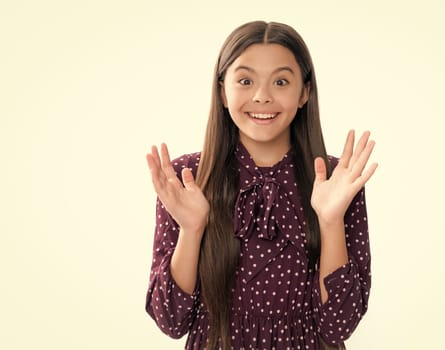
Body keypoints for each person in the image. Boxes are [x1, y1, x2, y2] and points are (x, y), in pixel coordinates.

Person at [145, 20, 378, 349]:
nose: (262, 96)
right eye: (245, 80)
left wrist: (330, 221)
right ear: (222, 91)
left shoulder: (337, 179)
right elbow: (170, 320)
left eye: (281, 81)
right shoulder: (187, 177)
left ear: (304, 92)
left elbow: (339, 323)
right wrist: (192, 229)